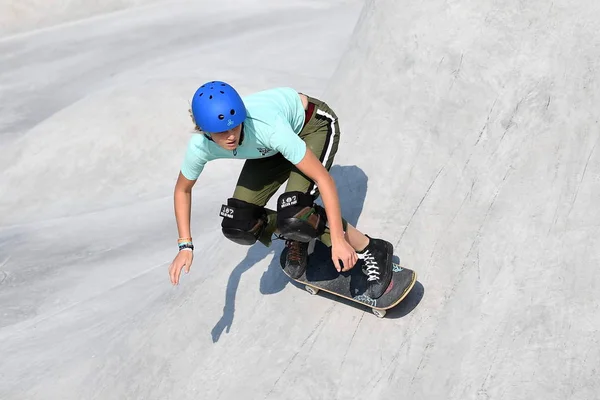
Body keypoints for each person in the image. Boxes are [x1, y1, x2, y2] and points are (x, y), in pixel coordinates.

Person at [168, 81, 393, 299]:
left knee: (296, 213)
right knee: (239, 221)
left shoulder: (267, 127)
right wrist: (185, 245)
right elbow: (182, 190)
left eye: (235, 125)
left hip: (311, 126)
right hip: (268, 150)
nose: (231, 136)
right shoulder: (200, 147)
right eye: (220, 132)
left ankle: (371, 248)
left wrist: (338, 239)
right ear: (203, 130)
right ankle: (297, 232)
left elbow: (323, 180)